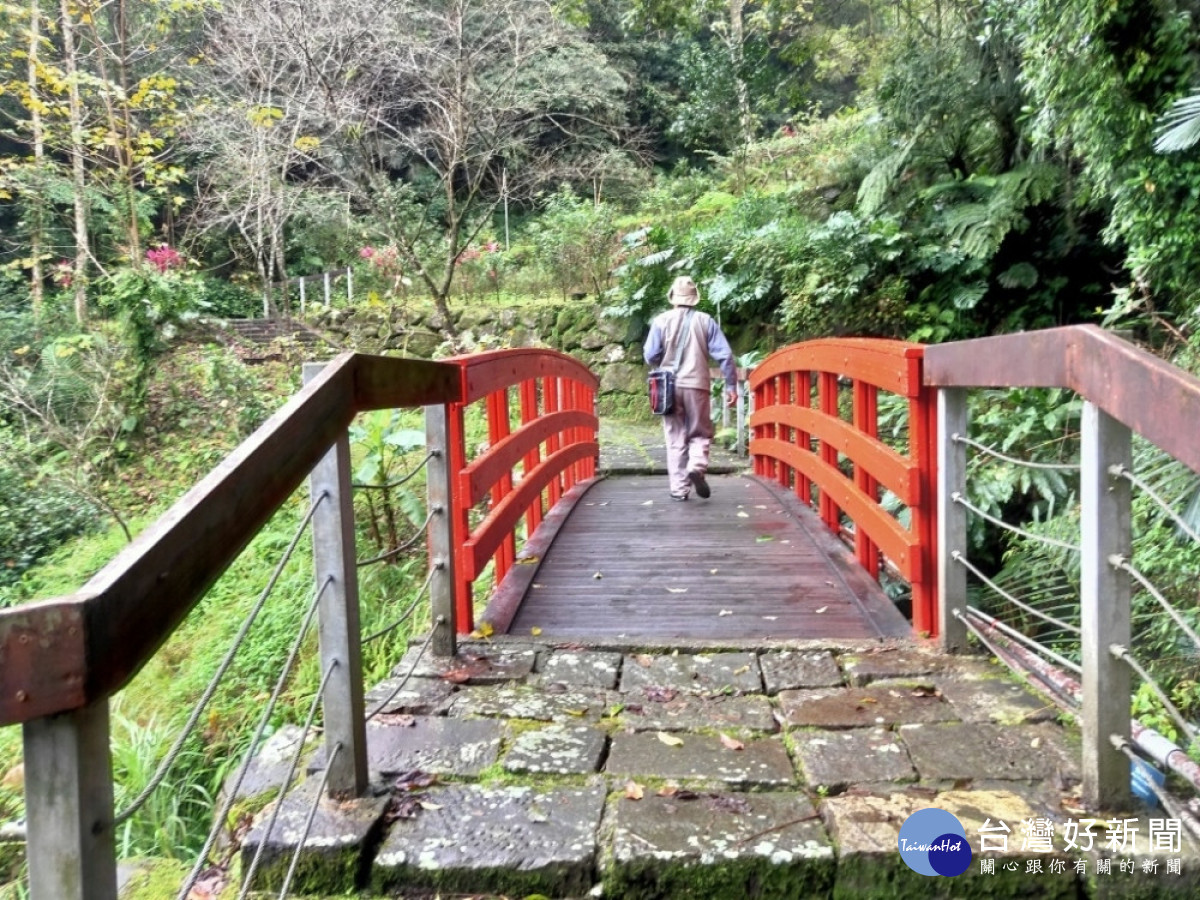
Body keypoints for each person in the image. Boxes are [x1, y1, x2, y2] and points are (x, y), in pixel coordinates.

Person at [643, 275, 737, 501]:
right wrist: (731, 385)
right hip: (697, 386)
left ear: (673, 298)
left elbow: (650, 355)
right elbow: (724, 355)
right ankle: (696, 466)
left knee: (675, 437)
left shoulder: (660, 321)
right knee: (700, 433)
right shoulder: (706, 321)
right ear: (694, 298)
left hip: (669, 387)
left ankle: (679, 489)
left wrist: (664, 359)